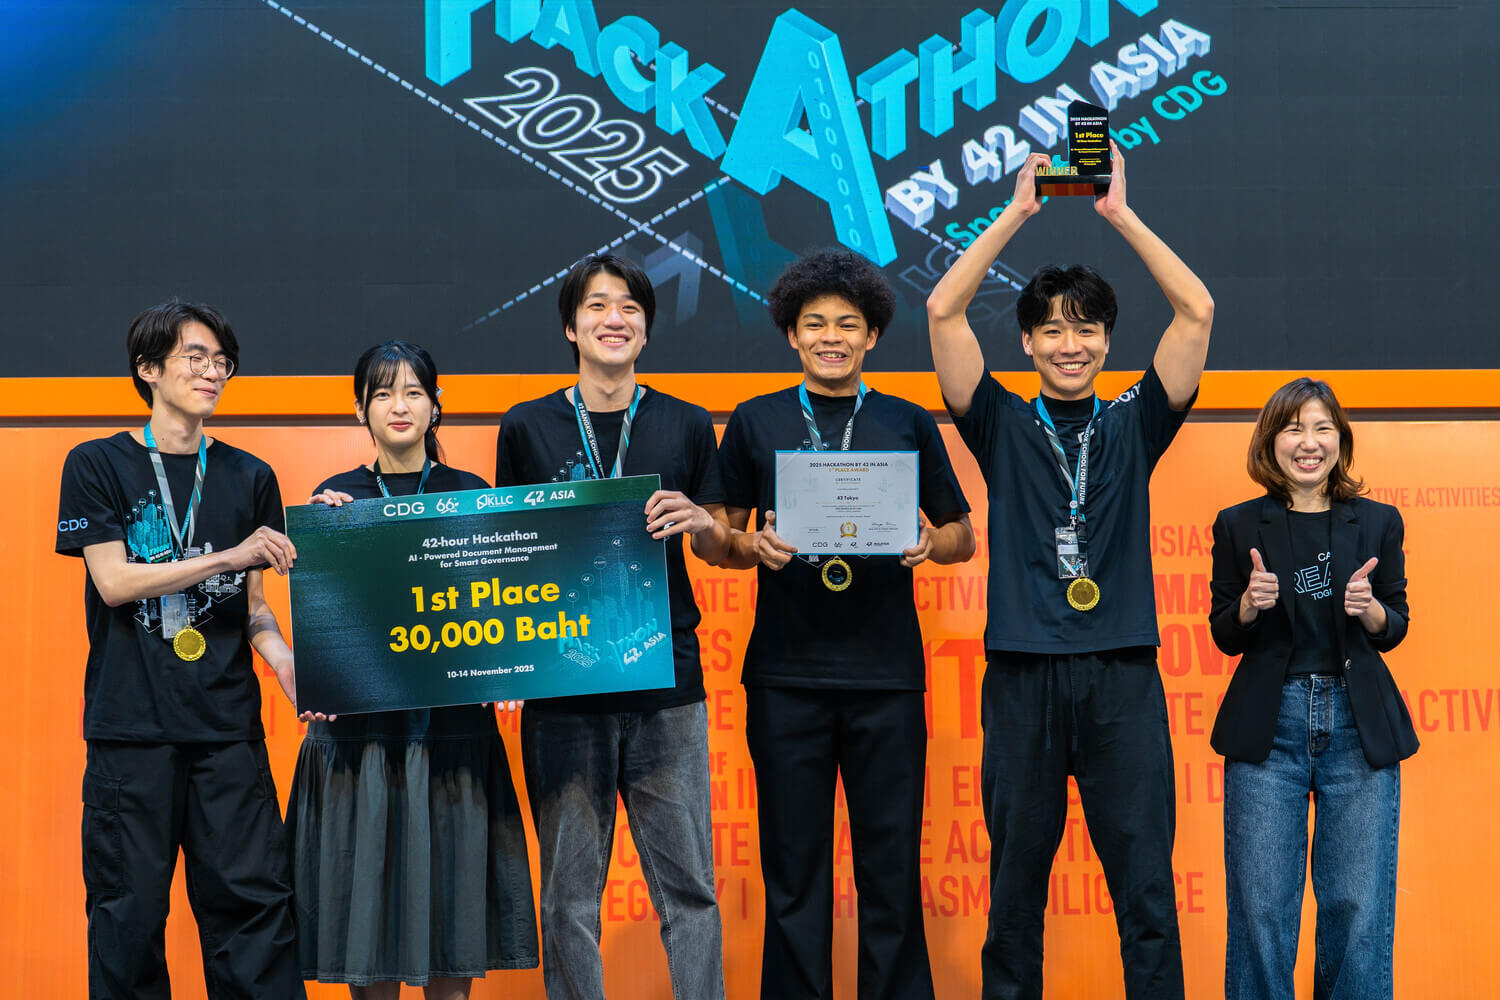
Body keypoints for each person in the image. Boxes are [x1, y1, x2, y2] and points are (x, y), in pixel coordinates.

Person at [926, 146, 1214, 1000]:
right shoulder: (999, 422)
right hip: (1023, 676)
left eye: (1086, 328)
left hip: (1122, 674)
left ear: (1106, 340)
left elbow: (1196, 310)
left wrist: (1118, 214)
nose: (1069, 344)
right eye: (1051, 328)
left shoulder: (1136, 420)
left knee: (1146, 893)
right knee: (1014, 896)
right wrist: (1017, 211)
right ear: (1026, 341)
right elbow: (943, 311)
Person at [718, 247, 975, 1000]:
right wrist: (750, 546)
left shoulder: (906, 420)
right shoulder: (756, 419)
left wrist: (929, 545)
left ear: (872, 335)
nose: (831, 337)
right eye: (815, 323)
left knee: (890, 872)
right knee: (793, 873)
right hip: (785, 679)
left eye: (847, 324)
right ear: (791, 334)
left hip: (886, 678)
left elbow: (963, 534)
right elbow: (719, 539)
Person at [494, 253, 730, 1000]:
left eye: (629, 306)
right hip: (564, 687)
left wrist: (702, 522)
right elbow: (509, 553)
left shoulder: (686, 422)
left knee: (690, 889)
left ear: (646, 329)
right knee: (567, 898)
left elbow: (723, 543)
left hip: (668, 684)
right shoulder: (526, 426)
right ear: (572, 326)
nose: (614, 318)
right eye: (596, 305)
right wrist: (511, 660)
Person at [55, 299, 306, 998]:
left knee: (254, 916)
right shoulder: (98, 463)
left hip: (228, 732)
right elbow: (113, 582)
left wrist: (290, 666)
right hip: (131, 732)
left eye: (221, 361)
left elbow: (253, 610)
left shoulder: (250, 475)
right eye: (194, 357)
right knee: (127, 919)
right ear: (148, 368)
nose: (212, 372)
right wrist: (227, 555)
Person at [285, 341, 538, 999]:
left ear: (435, 405)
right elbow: (332, 620)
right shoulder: (336, 499)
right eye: (383, 394)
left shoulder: (472, 494)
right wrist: (325, 539)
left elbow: (500, 605)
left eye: (414, 392)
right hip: (362, 744)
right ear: (361, 410)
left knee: (451, 935)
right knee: (368, 942)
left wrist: (511, 670)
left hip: (452, 738)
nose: (399, 406)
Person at [1207, 378, 1415, 1000]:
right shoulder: (1238, 524)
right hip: (1269, 728)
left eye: (1323, 428)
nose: (1309, 442)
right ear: (1271, 442)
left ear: (1340, 441)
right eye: (1294, 428)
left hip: (1357, 725)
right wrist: (1248, 605)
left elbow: (1396, 623)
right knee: (1262, 909)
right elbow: (1224, 632)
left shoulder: (1378, 522)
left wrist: (1370, 610)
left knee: (1357, 904)